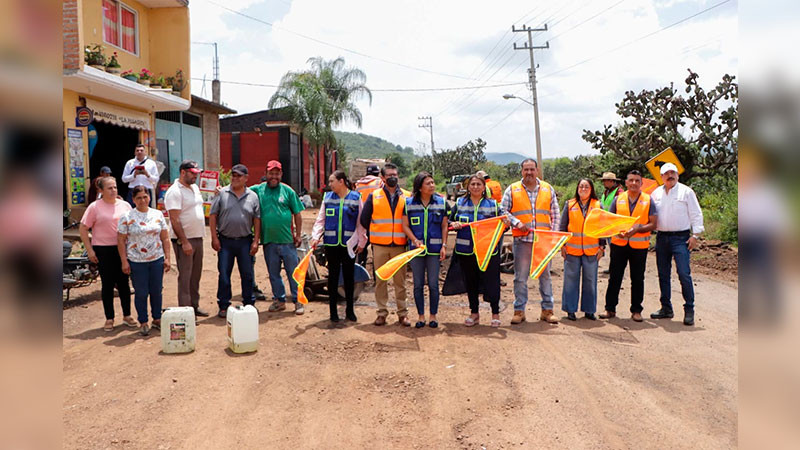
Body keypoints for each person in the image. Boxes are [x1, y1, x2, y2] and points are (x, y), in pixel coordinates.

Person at [502, 158, 561, 325]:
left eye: (532, 169)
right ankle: (519, 311)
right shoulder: (512, 189)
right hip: (522, 241)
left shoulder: (547, 189)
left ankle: (547, 311)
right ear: (521, 171)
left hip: (543, 242)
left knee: (545, 276)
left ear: (537, 171)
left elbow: (555, 213)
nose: (529, 172)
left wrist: (553, 236)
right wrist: (516, 222)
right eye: (526, 169)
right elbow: (503, 210)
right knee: (520, 277)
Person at [649, 163, 704, 326]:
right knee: (663, 274)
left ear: (677, 175)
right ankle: (666, 308)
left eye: (673, 173)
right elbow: (650, 215)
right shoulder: (655, 193)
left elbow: (696, 213)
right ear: (661, 176)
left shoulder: (686, 192)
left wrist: (696, 235)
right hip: (662, 238)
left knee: (683, 273)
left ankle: (689, 309)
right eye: (666, 173)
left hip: (681, 238)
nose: (670, 176)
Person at [79, 177, 137, 331]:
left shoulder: (125, 205)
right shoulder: (94, 207)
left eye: (115, 187)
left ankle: (127, 315)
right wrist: (90, 250)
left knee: (124, 283)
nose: (113, 191)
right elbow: (83, 228)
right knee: (108, 285)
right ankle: (109, 318)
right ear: (101, 190)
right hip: (103, 250)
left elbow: (133, 226)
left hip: (122, 249)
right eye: (109, 188)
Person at [600, 170, 658, 322]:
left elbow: (653, 223)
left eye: (636, 181)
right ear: (626, 183)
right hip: (619, 244)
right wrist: (616, 231)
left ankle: (636, 310)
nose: (633, 183)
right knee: (615, 277)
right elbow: (610, 220)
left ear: (641, 183)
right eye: (630, 180)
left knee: (637, 279)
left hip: (639, 247)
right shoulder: (618, 199)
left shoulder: (648, 200)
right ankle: (609, 309)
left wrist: (638, 230)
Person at [251, 160, 306, 315]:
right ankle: (279, 300)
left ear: (281, 174)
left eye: (277, 173)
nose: (274, 176)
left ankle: (298, 301)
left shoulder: (288, 191)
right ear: (266, 174)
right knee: (274, 273)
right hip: (268, 241)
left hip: (288, 241)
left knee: (293, 273)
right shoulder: (258, 190)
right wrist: (221, 190)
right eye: (271, 173)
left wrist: (298, 234)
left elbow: (298, 214)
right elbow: (241, 191)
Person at [451, 174, 507, 327]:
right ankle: (474, 313)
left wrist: (506, 222)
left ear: (484, 188)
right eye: (472, 184)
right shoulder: (460, 203)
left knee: (492, 282)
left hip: (488, 251)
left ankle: (495, 313)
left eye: (478, 184)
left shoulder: (493, 205)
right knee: (471, 282)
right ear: (468, 187)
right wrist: (453, 223)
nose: (475, 187)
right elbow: (448, 220)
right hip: (466, 251)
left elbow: (505, 221)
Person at [311, 170, 366, 322]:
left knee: (349, 278)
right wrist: (315, 237)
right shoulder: (328, 198)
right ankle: (333, 312)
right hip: (331, 244)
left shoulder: (356, 198)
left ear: (341, 181)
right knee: (333, 278)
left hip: (348, 245)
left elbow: (361, 222)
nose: (330, 185)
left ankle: (350, 310)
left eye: (331, 181)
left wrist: (362, 241)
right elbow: (321, 220)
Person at [359, 163, 410, 326]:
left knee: (400, 281)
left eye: (395, 174)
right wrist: (375, 233)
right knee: (381, 280)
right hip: (380, 245)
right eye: (389, 175)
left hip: (400, 246)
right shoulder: (374, 196)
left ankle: (403, 314)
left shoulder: (407, 197)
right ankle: (382, 313)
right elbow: (364, 219)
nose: (393, 177)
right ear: (382, 178)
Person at [117, 185, 171, 335]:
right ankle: (143, 321)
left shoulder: (158, 214)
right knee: (141, 292)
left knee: (156, 291)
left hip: (156, 259)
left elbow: (165, 238)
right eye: (139, 197)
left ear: (149, 197)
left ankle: (157, 319)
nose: (142, 200)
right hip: (136, 261)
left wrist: (167, 258)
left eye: (145, 197)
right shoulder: (127, 217)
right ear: (133, 199)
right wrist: (124, 261)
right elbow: (121, 241)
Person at [209, 164, 261, 318]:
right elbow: (213, 216)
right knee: (224, 273)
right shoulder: (222, 193)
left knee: (247, 274)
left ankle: (249, 303)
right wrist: (214, 237)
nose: (235, 178)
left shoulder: (252, 196)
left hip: (245, 241)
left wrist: (256, 241)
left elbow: (257, 219)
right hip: (225, 242)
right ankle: (224, 305)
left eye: (239, 176)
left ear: (246, 178)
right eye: (233, 175)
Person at [402, 172, 448, 329]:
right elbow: (405, 225)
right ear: (420, 187)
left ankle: (433, 316)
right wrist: (414, 239)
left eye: (433, 183)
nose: (432, 186)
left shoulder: (441, 202)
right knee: (418, 284)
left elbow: (444, 226)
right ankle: (421, 316)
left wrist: (444, 245)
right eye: (428, 183)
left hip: (434, 251)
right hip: (416, 251)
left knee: (434, 284)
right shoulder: (409, 203)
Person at [164, 160, 209, 317]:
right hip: (184, 240)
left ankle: (194, 306)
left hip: (198, 237)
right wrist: (184, 242)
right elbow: (175, 219)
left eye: (197, 173)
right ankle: (186, 312)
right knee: (185, 277)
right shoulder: (174, 191)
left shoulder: (194, 188)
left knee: (195, 275)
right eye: (193, 173)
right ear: (183, 172)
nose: (195, 177)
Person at [558, 179, 605, 321]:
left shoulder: (597, 205)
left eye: (587, 186)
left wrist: (602, 247)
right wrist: (562, 246)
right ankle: (570, 310)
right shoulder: (569, 204)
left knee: (590, 281)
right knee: (570, 280)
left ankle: (589, 310)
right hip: (572, 250)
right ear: (577, 188)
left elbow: (602, 227)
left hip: (592, 251)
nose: (583, 188)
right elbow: (563, 226)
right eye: (581, 186)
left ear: (591, 189)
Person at [354, 164, 383, 267]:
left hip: (361, 220)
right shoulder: (379, 182)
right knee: (377, 251)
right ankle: (377, 278)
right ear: (377, 173)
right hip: (375, 220)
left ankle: (361, 274)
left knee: (361, 247)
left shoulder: (358, 184)